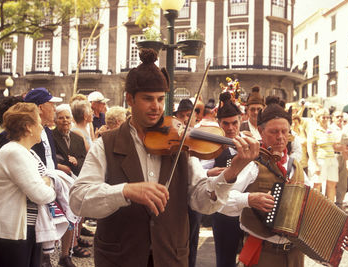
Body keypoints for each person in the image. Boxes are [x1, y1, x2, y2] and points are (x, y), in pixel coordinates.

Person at [69, 48, 260, 267]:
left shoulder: (180, 142)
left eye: (161, 99)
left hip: (170, 258)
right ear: (129, 99)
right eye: (148, 99)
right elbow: (78, 199)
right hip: (120, 258)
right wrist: (124, 191)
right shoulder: (106, 144)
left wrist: (232, 171)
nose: (157, 107)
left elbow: (202, 202)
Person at [220, 99, 348, 267]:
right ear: (261, 132)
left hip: (295, 255)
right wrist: (248, 199)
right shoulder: (251, 164)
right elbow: (221, 200)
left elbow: (312, 213)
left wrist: (338, 238)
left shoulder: (296, 166)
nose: (280, 137)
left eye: (285, 131)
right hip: (262, 253)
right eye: (274, 132)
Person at [0, 102, 56, 267]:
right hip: (11, 233)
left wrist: (47, 181)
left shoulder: (26, 152)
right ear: (28, 127)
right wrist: (51, 183)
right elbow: (40, 194)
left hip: (25, 230)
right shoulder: (14, 152)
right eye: (39, 123)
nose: (42, 127)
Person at [204, 92, 245, 267]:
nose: (230, 128)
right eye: (225, 124)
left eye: (234, 123)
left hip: (248, 211)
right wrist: (209, 173)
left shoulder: (249, 144)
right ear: (219, 124)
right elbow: (201, 173)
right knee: (225, 260)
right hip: (223, 212)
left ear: (240, 121)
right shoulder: (212, 147)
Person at [24, 87, 62, 267]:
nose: (54, 109)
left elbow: (50, 158)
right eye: (51, 105)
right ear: (39, 107)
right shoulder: (27, 132)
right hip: (35, 191)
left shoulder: (47, 131)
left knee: (49, 229)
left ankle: (44, 258)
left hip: (49, 187)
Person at [52, 104, 90, 267]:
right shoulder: (50, 136)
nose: (65, 120)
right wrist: (60, 165)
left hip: (74, 181)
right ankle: (48, 251)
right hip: (56, 180)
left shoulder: (77, 137)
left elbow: (84, 159)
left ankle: (66, 254)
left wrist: (77, 161)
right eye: (61, 117)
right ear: (56, 120)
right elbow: (49, 157)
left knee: (71, 216)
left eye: (67, 117)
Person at [307, 108, 339, 201]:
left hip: (332, 159)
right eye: (323, 117)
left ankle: (330, 209)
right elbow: (310, 148)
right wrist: (315, 164)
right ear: (318, 118)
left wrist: (343, 148)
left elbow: (334, 145)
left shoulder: (331, 129)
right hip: (319, 159)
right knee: (317, 184)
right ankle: (315, 209)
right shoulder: (313, 130)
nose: (325, 119)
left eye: (327, 117)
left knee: (332, 184)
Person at [329, 110, 348, 209]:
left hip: (345, 156)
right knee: (332, 182)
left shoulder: (346, 128)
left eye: (341, 116)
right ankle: (330, 204)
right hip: (333, 156)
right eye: (337, 117)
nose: (340, 119)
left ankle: (339, 203)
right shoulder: (329, 129)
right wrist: (340, 146)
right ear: (332, 118)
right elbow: (330, 144)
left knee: (343, 181)